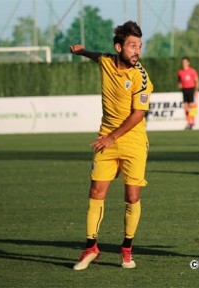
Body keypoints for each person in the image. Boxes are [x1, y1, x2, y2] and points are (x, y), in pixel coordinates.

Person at [69, 20, 153, 270]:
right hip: (107, 138)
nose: (137, 50)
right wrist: (83, 51)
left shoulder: (142, 77)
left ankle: (126, 249)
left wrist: (111, 138)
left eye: (139, 45)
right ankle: (91, 248)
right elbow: (100, 57)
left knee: (132, 195)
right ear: (119, 47)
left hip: (133, 142)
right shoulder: (107, 61)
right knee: (96, 193)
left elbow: (138, 115)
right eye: (132, 45)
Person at [178, 57, 199, 129]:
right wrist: (179, 84)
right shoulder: (180, 72)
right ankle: (189, 122)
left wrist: (196, 90)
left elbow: (197, 81)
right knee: (185, 107)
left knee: (192, 106)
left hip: (191, 89)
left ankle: (192, 122)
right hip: (184, 89)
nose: (184, 63)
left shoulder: (192, 71)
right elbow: (179, 81)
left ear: (188, 63)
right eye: (183, 62)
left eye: (185, 62)